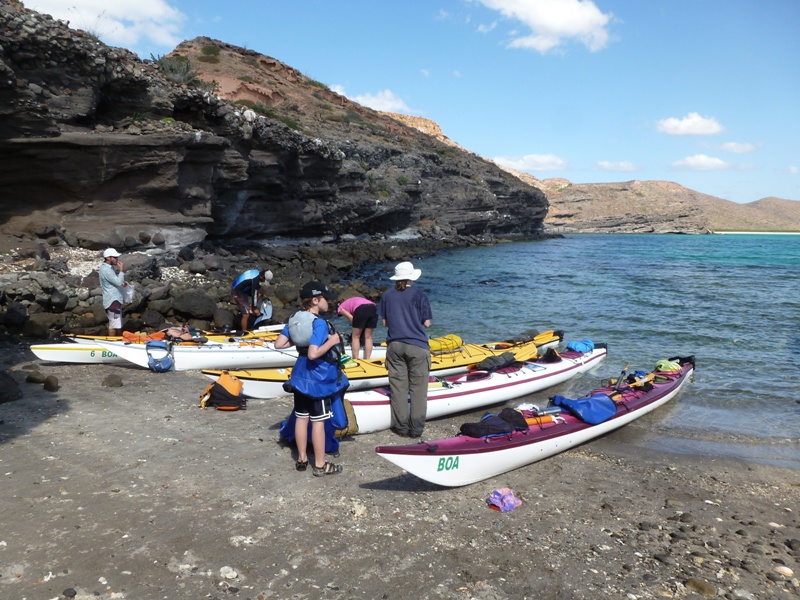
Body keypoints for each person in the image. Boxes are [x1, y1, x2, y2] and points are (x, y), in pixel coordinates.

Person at [274, 281, 349, 477]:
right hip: (318, 379)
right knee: (318, 422)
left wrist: (299, 341)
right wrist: (333, 341)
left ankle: (301, 459)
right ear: (315, 300)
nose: (328, 303)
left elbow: (279, 344)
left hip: (299, 376)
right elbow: (314, 354)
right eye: (325, 299)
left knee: (301, 418)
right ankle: (320, 464)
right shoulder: (319, 323)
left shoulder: (294, 318)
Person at [377, 261, 432, 438]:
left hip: (394, 346)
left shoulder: (387, 296)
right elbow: (427, 323)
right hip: (417, 345)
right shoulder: (420, 295)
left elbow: (385, 323)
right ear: (411, 277)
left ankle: (401, 427)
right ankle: (416, 429)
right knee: (418, 390)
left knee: (398, 388)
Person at [98, 248, 126, 336]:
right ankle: (113, 344)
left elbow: (114, 282)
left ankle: (117, 342)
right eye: (115, 257)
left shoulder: (105, 268)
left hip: (112, 299)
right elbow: (118, 282)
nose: (117, 259)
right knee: (114, 325)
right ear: (108, 258)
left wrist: (122, 283)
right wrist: (121, 270)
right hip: (113, 300)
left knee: (116, 324)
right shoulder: (106, 270)